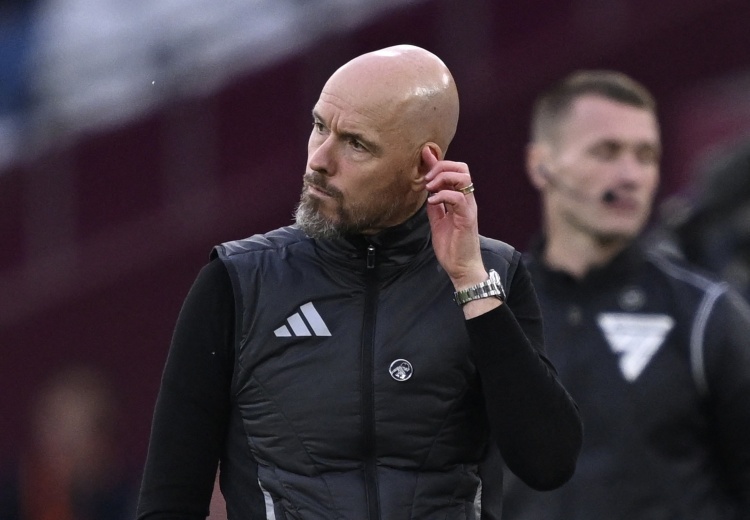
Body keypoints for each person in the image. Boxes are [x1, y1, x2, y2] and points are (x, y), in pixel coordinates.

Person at [135, 44, 582, 519]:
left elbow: (547, 463)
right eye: (319, 126)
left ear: (422, 167)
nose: (319, 160)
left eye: (355, 144)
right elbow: (169, 501)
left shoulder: (494, 276)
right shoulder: (238, 282)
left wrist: (470, 281)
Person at [501, 70, 750, 519]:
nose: (631, 175)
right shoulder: (490, 315)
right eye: (606, 152)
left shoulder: (706, 317)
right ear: (541, 165)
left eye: (646, 155)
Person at [0, 365, 137, 520]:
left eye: (72, 442)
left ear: (102, 445)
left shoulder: (131, 506)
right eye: (52, 427)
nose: (56, 453)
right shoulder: (10, 497)